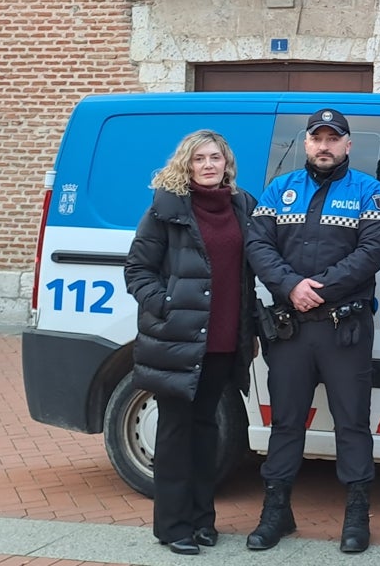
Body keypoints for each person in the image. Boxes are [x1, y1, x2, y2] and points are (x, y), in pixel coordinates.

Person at [244, 108, 380, 554]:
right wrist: (290, 286)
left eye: (334, 139)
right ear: (307, 144)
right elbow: (257, 243)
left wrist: (319, 289)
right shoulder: (279, 190)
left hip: (343, 328)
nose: (324, 146)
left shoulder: (369, 191)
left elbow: (373, 249)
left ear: (348, 145)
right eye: (317, 139)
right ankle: (276, 513)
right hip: (290, 330)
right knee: (285, 423)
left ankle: (355, 516)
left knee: (352, 423)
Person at [124, 130, 258, 556]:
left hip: (223, 339)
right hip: (177, 340)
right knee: (176, 433)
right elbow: (138, 269)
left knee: (206, 433)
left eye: (215, 157)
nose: (208, 165)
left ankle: (202, 520)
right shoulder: (166, 208)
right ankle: (172, 525)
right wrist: (164, 306)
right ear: (186, 164)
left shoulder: (242, 205)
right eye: (199, 158)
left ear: (226, 163)